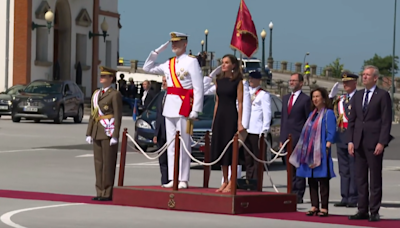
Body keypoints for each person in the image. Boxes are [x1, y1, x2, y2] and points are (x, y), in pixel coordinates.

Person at [143, 32, 204, 189]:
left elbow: (198, 87)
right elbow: (147, 67)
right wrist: (157, 52)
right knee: (171, 145)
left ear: (185, 44)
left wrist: (196, 110)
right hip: (169, 107)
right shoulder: (169, 63)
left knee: (184, 144)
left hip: (184, 107)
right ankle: (172, 177)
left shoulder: (191, 62)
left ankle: (183, 178)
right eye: (172, 43)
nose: (174, 45)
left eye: (177, 42)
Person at [347, 65, 393, 222]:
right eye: (363, 74)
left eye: (367, 75)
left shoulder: (383, 95)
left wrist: (382, 141)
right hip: (358, 142)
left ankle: (374, 211)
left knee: (374, 179)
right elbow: (352, 120)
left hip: (374, 143)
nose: (364, 77)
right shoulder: (358, 95)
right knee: (360, 178)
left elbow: (386, 121)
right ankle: (362, 209)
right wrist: (351, 141)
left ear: (375, 78)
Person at [289, 87, 336, 217]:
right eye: (313, 97)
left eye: (317, 96)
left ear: (323, 98)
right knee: (312, 179)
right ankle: (314, 205)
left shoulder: (328, 113)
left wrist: (327, 146)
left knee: (322, 179)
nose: (315, 99)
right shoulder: (311, 115)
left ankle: (324, 207)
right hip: (309, 151)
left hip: (321, 150)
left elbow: (331, 132)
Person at [85, 66, 123, 201]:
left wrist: (115, 135)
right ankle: (99, 190)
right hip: (97, 130)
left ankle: (107, 192)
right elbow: (93, 115)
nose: (101, 78)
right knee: (98, 163)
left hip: (108, 131)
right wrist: (89, 132)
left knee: (108, 163)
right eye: (101, 76)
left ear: (111, 79)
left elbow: (117, 116)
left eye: (104, 76)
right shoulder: (97, 94)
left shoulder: (114, 94)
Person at [211, 54, 245, 193]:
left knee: (231, 150)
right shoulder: (219, 80)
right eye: (222, 62)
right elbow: (217, 102)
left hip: (231, 115)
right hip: (220, 116)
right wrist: (214, 120)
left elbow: (241, 102)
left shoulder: (238, 81)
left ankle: (232, 180)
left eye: (226, 62)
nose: (223, 65)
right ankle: (224, 180)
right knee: (221, 148)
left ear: (233, 65)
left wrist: (240, 122)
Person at [279, 73, 311, 203]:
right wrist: (281, 138)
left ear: (301, 83)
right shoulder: (286, 98)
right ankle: (290, 191)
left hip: (299, 138)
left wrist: (306, 139)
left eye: (294, 80)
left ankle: (298, 194)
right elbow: (283, 120)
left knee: (299, 168)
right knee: (289, 168)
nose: (291, 82)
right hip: (287, 138)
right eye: (290, 80)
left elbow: (308, 120)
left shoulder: (305, 99)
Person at [329, 73, 359, 208]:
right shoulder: (341, 99)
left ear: (355, 83)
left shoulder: (359, 98)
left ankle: (353, 197)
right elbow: (329, 110)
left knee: (354, 168)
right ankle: (345, 196)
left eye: (348, 82)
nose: (345, 85)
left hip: (353, 136)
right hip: (341, 136)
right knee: (343, 169)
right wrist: (330, 97)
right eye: (344, 82)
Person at [244, 71, 271, 180]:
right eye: (250, 78)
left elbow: (267, 113)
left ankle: (256, 180)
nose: (250, 80)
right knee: (247, 157)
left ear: (259, 80)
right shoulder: (246, 93)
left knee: (257, 157)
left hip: (256, 130)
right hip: (246, 129)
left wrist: (265, 129)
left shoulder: (263, 95)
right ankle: (248, 179)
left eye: (253, 78)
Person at [153, 76, 168, 185]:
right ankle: (164, 181)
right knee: (162, 160)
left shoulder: (176, 96)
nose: (163, 83)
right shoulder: (161, 95)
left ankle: (173, 180)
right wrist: (155, 133)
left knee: (171, 158)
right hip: (161, 132)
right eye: (162, 81)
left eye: (165, 81)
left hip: (171, 133)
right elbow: (158, 115)